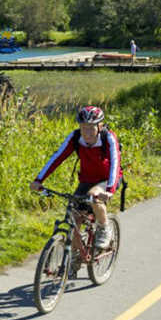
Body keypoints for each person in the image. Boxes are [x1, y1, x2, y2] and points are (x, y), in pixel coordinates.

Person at [30, 106, 122, 253]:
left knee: (94, 195)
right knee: (74, 219)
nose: (87, 133)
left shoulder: (108, 137)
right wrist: (39, 180)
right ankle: (75, 256)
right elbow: (57, 157)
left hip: (108, 179)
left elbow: (115, 163)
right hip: (86, 180)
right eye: (83, 128)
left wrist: (110, 190)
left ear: (100, 126)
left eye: (91, 128)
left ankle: (104, 228)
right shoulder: (75, 138)